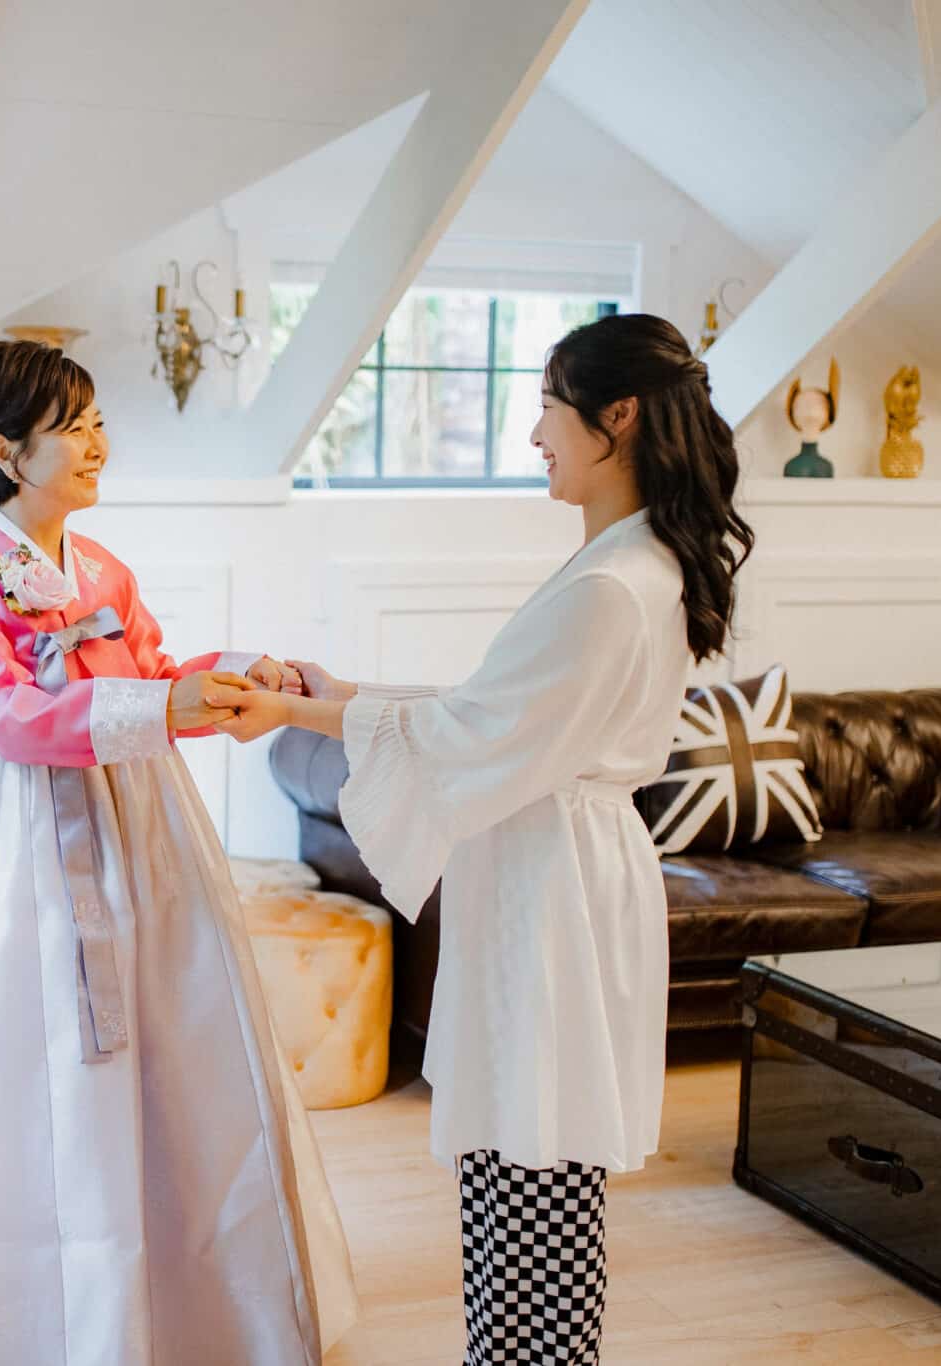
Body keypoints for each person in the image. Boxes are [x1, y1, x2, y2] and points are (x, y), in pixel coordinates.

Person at [215, 313, 753, 1365]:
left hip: (550, 887)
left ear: (617, 416)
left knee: (532, 1147)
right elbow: (498, 708)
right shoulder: (626, 564)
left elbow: (476, 729)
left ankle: (528, 1356)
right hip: (552, 865)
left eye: (548, 405)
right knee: (522, 1145)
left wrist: (299, 713)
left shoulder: (610, 583)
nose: (534, 434)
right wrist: (344, 694)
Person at [0, 340, 357, 1365]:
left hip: (129, 823)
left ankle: (169, 1304)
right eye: (71, 426)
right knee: (17, 1057)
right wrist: (164, 699)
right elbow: (9, 716)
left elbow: (155, 672)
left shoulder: (105, 568)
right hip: (5, 829)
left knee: (163, 1041)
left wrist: (243, 671)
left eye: (95, 421)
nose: (96, 443)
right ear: (4, 450)